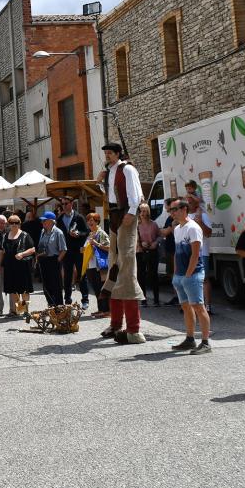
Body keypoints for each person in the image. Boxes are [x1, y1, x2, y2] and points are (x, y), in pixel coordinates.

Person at [97, 143, 146, 344]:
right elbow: (108, 194)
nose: (107, 156)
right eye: (106, 153)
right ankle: (116, 324)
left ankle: (134, 329)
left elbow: (135, 192)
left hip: (126, 215)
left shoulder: (127, 169)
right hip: (115, 217)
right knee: (113, 267)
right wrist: (100, 182)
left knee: (126, 267)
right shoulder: (109, 171)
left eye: (110, 153)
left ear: (118, 154)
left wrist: (132, 212)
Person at [167, 197, 212, 355]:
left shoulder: (193, 228)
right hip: (181, 275)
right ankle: (190, 339)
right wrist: (175, 274)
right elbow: (176, 254)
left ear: (184, 209)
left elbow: (195, 254)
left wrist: (187, 275)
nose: (171, 212)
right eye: (170, 210)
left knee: (199, 307)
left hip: (193, 274)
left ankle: (206, 343)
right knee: (186, 307)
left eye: (174, 209)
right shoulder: (178, 228)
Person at [0, 214, 36, 316]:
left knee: (24, 289)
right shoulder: (5, 236)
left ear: (20, 224)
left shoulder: (25, 235)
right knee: (13, 290)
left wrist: (22, 254)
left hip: (22, 266)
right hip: (9, 267)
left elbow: (33, 249)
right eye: (12, 223)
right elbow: (2, 251)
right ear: (8, 224)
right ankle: (17, 310)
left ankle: (25, 311)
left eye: (16, 223)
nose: (14, 225)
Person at [56, 197, 90, 309]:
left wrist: (78, 234)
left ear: (71, 204)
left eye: (66, 204)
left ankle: (85, 299)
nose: (64, 206)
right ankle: (67, 299)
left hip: (78, 250)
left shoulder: (79, 217)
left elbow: (86, 232)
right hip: (66, 251)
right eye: (62, 204)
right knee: (67, 276)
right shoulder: (60, 218)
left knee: (82, 275)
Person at [186, 192, 214, 314]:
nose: (189, 203)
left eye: (191, 201)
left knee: (204, 279)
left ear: (197, 202)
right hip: (188, 253)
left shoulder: (203, 215)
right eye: (188, 201)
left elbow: (208, 233)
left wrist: (200, 222)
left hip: (202, 253)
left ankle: (208, 306)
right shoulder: (185, 217)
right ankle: (194, 306)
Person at [82, 213, 111, 318]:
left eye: (92, 220)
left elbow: (109, 247)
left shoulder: (101, 233)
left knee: (101, 287)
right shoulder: (90, 234)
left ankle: (106, 310)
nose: (90, 222)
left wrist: (97, 244)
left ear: (97, 221)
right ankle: (100, 309)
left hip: (99, 266)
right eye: (88, 220)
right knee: (96, 288)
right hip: (90, 265)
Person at [36, 212, 67, 307]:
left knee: (56, 286)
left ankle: (59, 307)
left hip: (54, 260)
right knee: (46, 286)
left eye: (45, 220)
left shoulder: (58, 232)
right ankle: (51, 306)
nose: (43, 222)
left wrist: (57, 261)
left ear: (51, 221)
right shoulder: (42, 231)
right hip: (43, 260)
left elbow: (64, 250)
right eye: (42, 220)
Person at [136, 203, 161, 307]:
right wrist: (140, 243)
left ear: (148, 212)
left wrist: (155, 243)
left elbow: (160, 236)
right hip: (141, 252)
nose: (143, 213)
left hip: (152, 252)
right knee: (141, 276)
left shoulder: (153, 224)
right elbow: (133, 240)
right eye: (141, 211)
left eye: (145, 210)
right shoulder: (137, 226)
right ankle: (143, 300)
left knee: (153, 275)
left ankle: (156, 300)